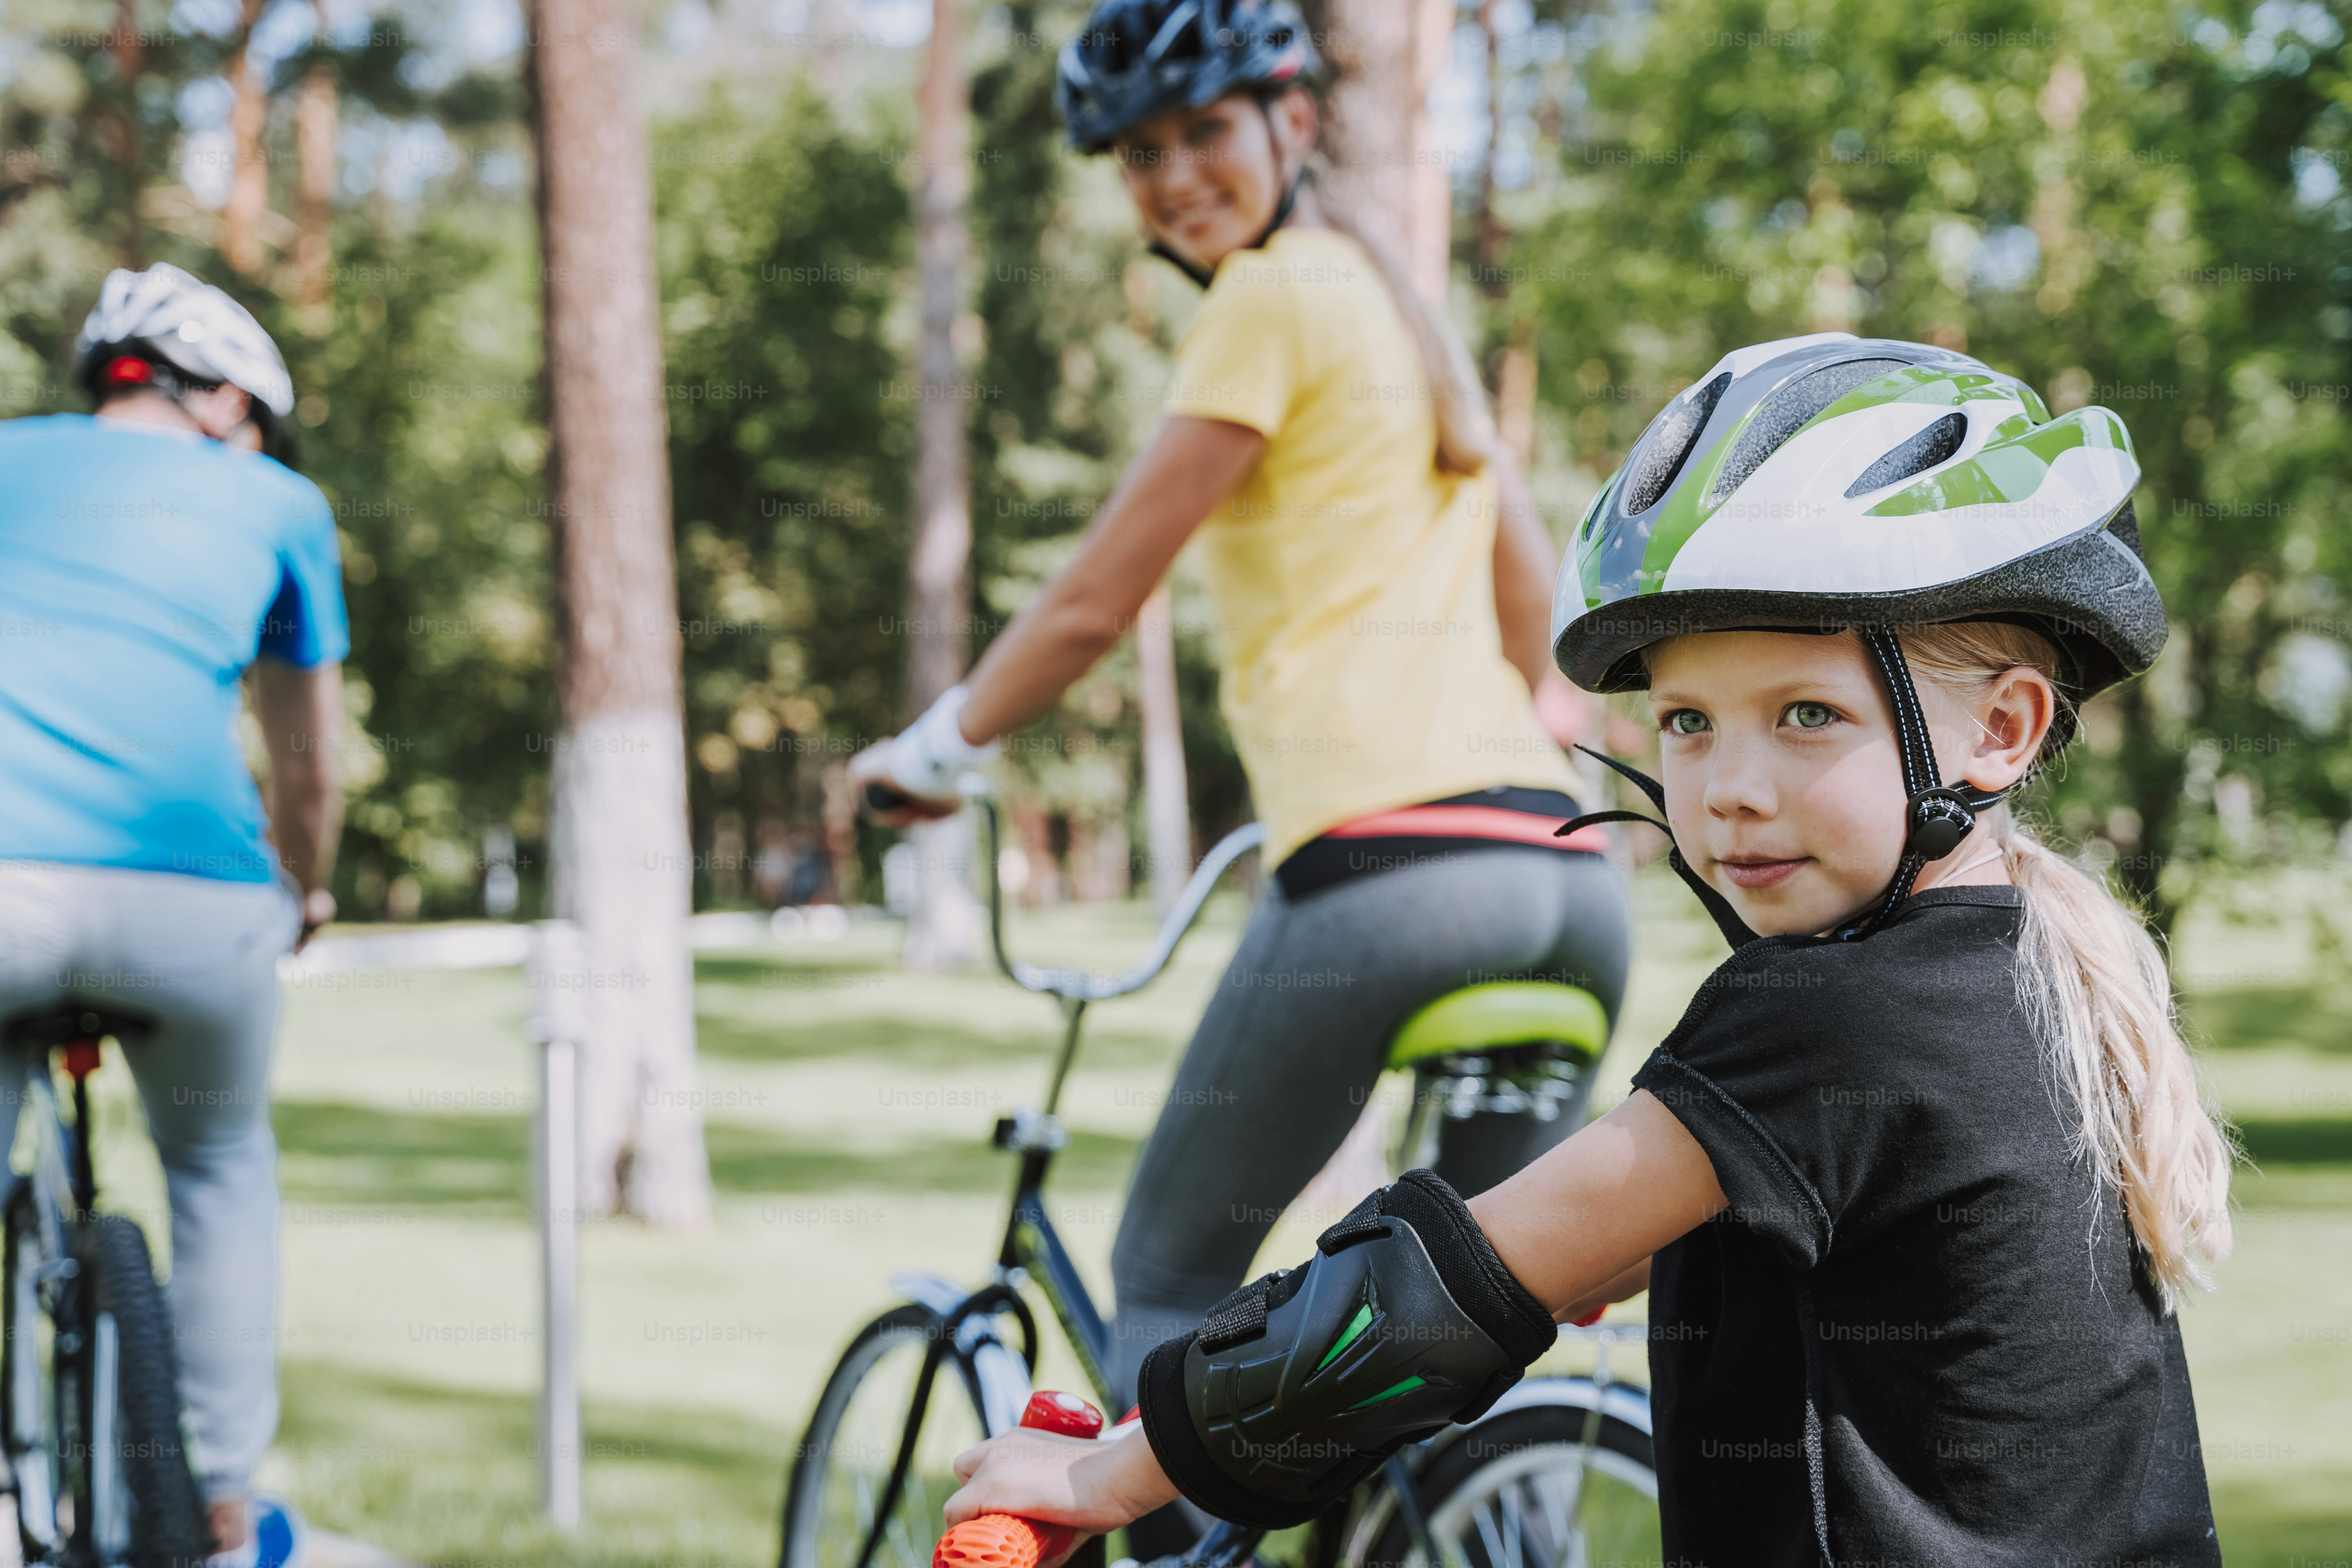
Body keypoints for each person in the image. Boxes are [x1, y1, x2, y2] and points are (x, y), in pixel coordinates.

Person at [939, 335, 2236, 1564]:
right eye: (1686, 721)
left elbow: (1433, 1298)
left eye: (1805, 714)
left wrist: (1108, 1475)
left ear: (2003, 730)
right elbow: (1597, 1247)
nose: (1728, 789)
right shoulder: (2019, 977)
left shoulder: (1835, 1014)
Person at [852, 0, 1631, 1548]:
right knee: (1482, 1318)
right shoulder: (1405, 316)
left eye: (1205, 131)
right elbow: (1537, 620)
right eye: (1140, 154)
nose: (1177, 177)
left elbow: (1097, 597)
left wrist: (934, 754)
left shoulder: (1271, 298)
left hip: (1391, 875)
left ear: (1294, 119)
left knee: (1173, 1278)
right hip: (1567, 881)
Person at [0, 263, 345, 1561]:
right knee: (218, 1164)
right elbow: (308, 765)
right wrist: (305, 888)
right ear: (222, 401)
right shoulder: (282, 505)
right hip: (196, 904)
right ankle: (223, 1501)